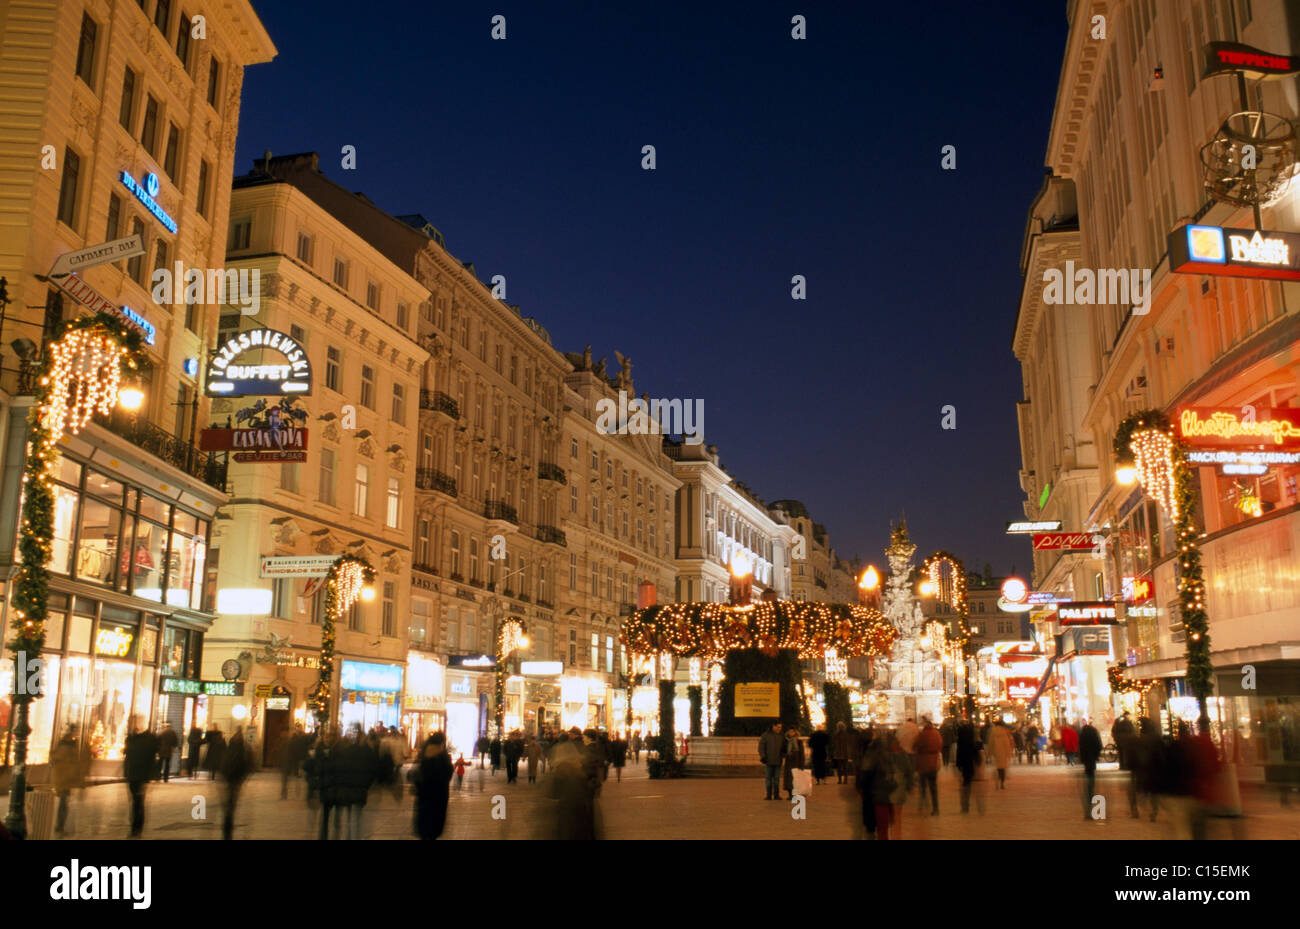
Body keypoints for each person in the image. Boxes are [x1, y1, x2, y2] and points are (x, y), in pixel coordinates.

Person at [547, 735, 599, 839]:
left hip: (566, 812)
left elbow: (553, 793)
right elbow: (592, 787)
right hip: (583, 810)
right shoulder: (580, 769)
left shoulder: (560, 771)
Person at [123, 719, 159, 838]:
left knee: (137, 802)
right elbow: (127, 757)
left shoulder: (148, 739)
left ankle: (136, 828)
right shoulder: (131, 739)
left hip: (141, 775)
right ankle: (136, 828)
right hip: (133, 774)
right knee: (136, 801)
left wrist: (150, 776)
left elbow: (151, 759)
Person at [413, 732, 453, 839]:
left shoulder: (424, 753)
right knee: (435, 824)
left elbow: (418, 774)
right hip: (439, 795)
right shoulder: (442, 755)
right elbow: (448, 773)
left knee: (425, 823)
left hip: (424, 794)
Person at [220, 726, 253, 839]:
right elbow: (247, 763)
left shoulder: (236, 746)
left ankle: (227, 830)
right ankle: (227, 830)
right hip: (233, 778)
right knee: (230, 804)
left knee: (230, 804)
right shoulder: (240, 746)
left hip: (234, 778)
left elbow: (247, 763)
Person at [51, 725, 83, 836]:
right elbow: (62, 763)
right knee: (63, 804)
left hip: (66, 779)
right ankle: (59, 827)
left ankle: (61, 826)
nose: (76, 734)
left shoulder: (70, 745)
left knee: (64, 804)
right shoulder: (65, 746)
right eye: (75, 731)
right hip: (63, 779)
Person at [914, 716, 942, 815]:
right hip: (933, 763)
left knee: (923, 787)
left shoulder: (922, 734)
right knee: (933, 787)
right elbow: (940, 745)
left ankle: (923, 807)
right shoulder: (937, 733)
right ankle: (936, 808)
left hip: (923, 763)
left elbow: (916, 745)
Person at [1079, 719, 1103, 821]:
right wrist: (1096, 755)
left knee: (1088, 782)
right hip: (1092, 760)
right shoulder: (1094, 733)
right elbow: (1099, 746)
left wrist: (1082, 758)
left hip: (1086, 761)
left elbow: (1080, 748)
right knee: (1091, 780)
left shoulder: (1082, 735)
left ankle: (1088, 809)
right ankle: (1090, 795)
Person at [758, 722, 785, 801]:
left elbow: (784, 747)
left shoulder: (781, 736)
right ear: (773, 726)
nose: (779, 729)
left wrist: (783, 754)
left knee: (777, 779)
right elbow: (761, 747)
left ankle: (776, 795)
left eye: (780, 727)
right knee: (768, 779)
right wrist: (763, 756)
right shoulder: (766, 735)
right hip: (768, 760)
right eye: (778, 727)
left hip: (778, 761)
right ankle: (768, 795)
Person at [955, 721, 977, 814]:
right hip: (969, 764)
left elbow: (958, 753)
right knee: (968, 783)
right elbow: (975, 753)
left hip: (963, 764)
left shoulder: (960, 742)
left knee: (964, 784)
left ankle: (964, 805)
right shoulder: (971, 741)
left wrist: (958, 764)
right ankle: (966, 804)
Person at [782, 727, 805, 802]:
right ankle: (790, 794)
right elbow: (782, 751)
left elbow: (801, 753)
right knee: (789, 779)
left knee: (796, 779)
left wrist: (802, 764)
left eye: (793, 731)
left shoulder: (799, 742)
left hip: (796, 762)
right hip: (788, 762)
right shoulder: (786, 741)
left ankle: (795, 794)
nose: (791, 733)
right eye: (790, 731)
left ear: (795, 732)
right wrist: (785, 754)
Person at [988, 721, 1013, 789]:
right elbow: (1006, 743)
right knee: (1002, 769)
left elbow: (991, 743)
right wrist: (1008, 753)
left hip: (996, 753)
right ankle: (1002, 783)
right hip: (1003, 753)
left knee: (997, 768)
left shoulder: (993, 732)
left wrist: (989, 752)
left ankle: (996, 782)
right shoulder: (1004, 732)